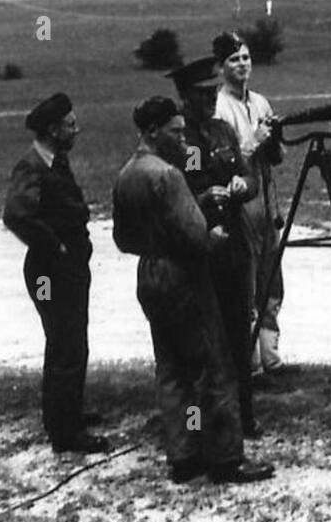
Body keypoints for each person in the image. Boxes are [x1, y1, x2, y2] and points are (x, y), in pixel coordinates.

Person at [112, 95, 274, 485]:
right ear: (153, 131)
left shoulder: (127, 174)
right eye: (175, 132)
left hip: (149, 274)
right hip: (183, 278)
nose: (183, 140)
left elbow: (122, 238)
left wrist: (195, 204)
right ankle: (225, 458)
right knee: (213, 367)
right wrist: (215, 233)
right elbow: (199, 238)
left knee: (171, 369)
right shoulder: (168, 175)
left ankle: (184, 455)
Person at [2, 92, 109, 455]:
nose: (76, 130)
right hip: (51, 273)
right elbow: (16, 215)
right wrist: (57, 248)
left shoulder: (55, 161)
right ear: (52, 130)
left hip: (66, 269)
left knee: (69, 341)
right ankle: (66, 434)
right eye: (69, 125)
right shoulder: (32, 166)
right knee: (65, 344)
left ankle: (66, 413)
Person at [169, 56, 264, 437]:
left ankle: (244, 415)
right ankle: (206, 422)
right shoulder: (182, 139)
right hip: (202, 246)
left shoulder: (223, 131)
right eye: (201, 94)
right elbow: (184, 188)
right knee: (207, 343)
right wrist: (206, 194)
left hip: (233, 246)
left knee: (239, 333)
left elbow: (248, 174)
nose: (210, 100)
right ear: (185, 96)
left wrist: (243, 184)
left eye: (212, 93)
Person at [211, 31, 287, 379]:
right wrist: (253, 142)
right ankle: (250, 363)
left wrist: (273, 141)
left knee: (272, 279)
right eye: (233, 59)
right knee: (248, 282)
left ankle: (271, 356)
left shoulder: (260, 102)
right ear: (221, 67)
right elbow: (224, 163)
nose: (242, 64)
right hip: (242, 201)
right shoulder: (219, 109)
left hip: (266, 198)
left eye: (245, 57)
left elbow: (279, 158)